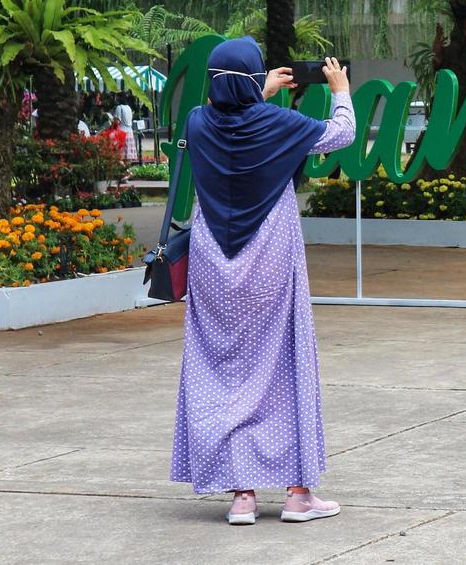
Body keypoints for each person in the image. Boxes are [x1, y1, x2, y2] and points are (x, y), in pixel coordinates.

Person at [170, 39, 355, 525]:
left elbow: (222, 108)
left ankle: (243, 498)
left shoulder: (197, 122)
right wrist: (339, 89)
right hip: (269, 253)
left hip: (213, 257)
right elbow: (342, 135)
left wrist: (257, 89)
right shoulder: (281, 124)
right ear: (253, 81)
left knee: (223, 366)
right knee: (286, 361)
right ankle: (297, 495)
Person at [111, 94, 137, 163]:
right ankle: (127, 171)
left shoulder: (119, 107)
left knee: (118, 156)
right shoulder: (128, 107)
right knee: (128, 156)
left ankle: (126, 171)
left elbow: (117, 121)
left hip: (122, 133)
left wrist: (112, 125)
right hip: (130, 132)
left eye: (116, 97)